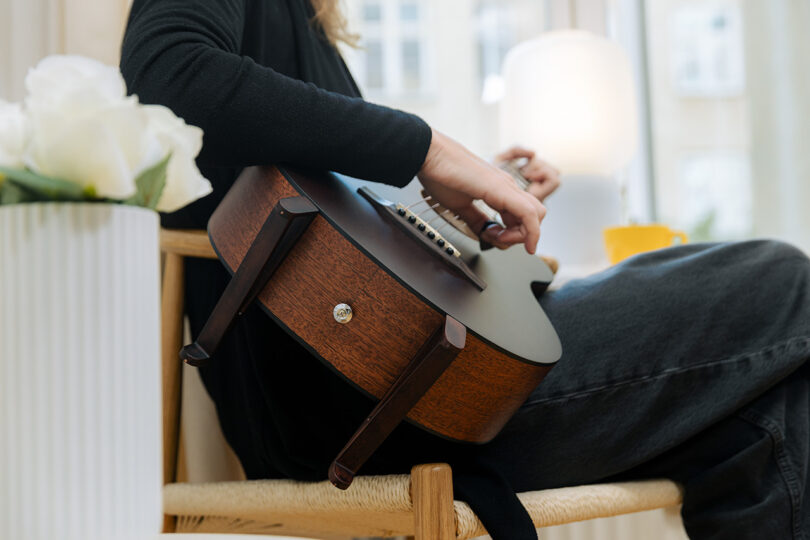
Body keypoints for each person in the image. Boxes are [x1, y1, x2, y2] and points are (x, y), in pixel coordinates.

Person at [121, 1, 810, 538]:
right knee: (777, 283)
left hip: (401, 368)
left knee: (759, 415)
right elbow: (169, 73)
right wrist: (429, 151)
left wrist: (471, 195)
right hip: (373, 392)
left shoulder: (311, 37)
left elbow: (351, 236)